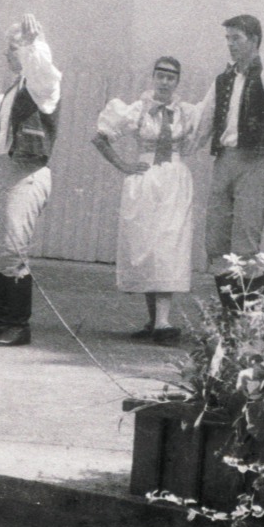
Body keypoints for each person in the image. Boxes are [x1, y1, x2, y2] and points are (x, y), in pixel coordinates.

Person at [94, 56, 201, 344]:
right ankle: (154, 321)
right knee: (147, 246)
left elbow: (210, 121)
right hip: (144, 181)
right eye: (160, 76)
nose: (165, 82)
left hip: (174, 182)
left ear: (178, 81)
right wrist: (124, 165)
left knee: (168, 245)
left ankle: (164, 321)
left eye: (171, 77)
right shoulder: (137, 110)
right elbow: (100, 138)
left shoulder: (186, 113)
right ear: (153, 78)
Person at [0, 14, 62, 347]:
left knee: (12, 251)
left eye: (12, 48)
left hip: (25, 175)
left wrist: (33, 44)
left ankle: (18, 325)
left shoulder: (41, 86)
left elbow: (43, 70)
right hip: (1, 174)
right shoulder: (14, 89)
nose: (6, 54)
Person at [194, 14, 264, 310]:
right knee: (216, 242)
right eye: (227, 39)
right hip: (224, 162)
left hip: (252, 162)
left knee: (246, 245)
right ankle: (230, 315)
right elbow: (203, 120)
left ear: (253, 41)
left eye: (236, 38)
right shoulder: (223, 79)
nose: (230, 45)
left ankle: (248, 323)